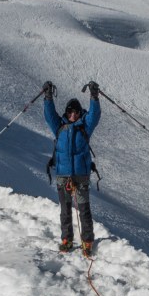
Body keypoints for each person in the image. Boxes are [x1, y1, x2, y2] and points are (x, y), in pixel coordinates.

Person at [43, 80, 101, 256]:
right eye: (70, 111)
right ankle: (67, 240)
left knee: (84, 209)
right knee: (65, 210)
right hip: (63, 175)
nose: (73, 115)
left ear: (80, 112)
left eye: (76, 112)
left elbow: (95, 115)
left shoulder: (85, 126)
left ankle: (87, 242)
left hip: (81, 175)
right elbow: (49, 115)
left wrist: (94, 96)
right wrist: (48, 97)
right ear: (66, 112)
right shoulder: (59, 126)